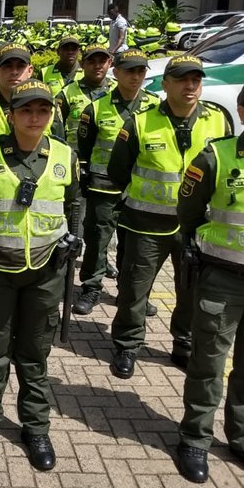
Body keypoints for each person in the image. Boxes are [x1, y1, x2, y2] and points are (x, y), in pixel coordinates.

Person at [0, 79, 79, 472]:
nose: (34, 117)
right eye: (26, 110)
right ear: (10, 114)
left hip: (45, 274)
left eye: (43, 110)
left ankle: (36, 428)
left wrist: (72, 239)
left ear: (52, 114)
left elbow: (73, 203)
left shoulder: (65, 155)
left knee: (34, 356)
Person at [173, 73, 244, 486]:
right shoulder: (215, 158)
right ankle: (195, 438)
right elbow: (188, 213)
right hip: (224, 281)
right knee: (207, 365)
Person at [106, 55, 230, 380]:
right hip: (145, 224)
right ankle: (127, 346)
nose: (190, 86)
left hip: (196, 228)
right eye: (182, 79)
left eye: (196, 80)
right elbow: (118, 170)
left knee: (190, 290)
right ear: (166, 84)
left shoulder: (218, 121)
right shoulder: (140, 122)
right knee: (135, 289)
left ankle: (183, 344)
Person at [74, 49, 159, 316]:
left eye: (141, 71)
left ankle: (131, 292)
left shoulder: (155, 106)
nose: (136, 77)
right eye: (130, 71)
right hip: (104, 188)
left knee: (134, 246)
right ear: (116, 72)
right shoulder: (96, 108)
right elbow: (84, 149)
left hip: (140, 192)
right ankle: (91, 287)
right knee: (98, 240)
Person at [54, 44, 115, 148]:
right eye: (91, 62)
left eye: (102, 61)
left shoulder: (118, 90)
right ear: (82, 65)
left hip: (107, 161)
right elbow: (56, 130)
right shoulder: (67, 92)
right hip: (76, 158)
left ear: (109, 63)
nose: (97, 66)